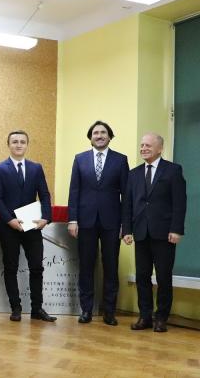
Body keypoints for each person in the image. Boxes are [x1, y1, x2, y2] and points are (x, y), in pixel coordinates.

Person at [122, 133, 186, 333]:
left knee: (164, 277)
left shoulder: (173, 171)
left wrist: (176, 229)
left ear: (160, 148)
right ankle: (145, 317)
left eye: (148, 145)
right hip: (140, 233)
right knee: (142, 277)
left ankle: (161, 318)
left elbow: (179, 203)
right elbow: (127, 205)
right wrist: (127, 230)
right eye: (142, 145)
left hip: (165, 234)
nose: (143, 149)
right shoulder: (133, 174)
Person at [0, 130, 56, 322]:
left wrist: (46, 218)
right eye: (15, 142)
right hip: (9, 226)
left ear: (27, 145)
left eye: (22, 142)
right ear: (8, 144)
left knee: (37, 267)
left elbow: (45, 195)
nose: (18, 145)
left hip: (32, 226)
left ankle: (37, 309)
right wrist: (9, 220)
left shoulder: (36, 168)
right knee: (11, 267)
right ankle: (16, 308)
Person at [67, 121, 128, 326]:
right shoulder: (80, 159)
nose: (99, 135)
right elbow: (74, 191)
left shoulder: (120, 160)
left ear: (110, 137)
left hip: (112, 222)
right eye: (95, 133)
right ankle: (86, 310)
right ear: (90, 137)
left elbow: (126, 195)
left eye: (103, 132)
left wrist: (125, 224)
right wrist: (73, 219)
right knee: (86, 266)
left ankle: (109, 312)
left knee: (111, 266)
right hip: (85, 221)